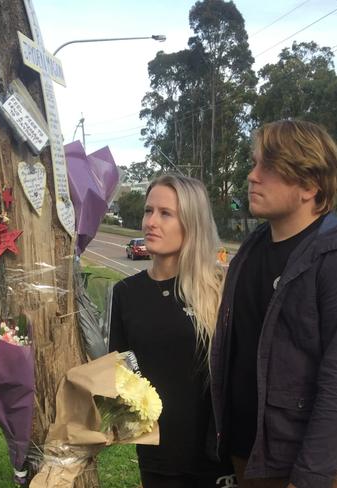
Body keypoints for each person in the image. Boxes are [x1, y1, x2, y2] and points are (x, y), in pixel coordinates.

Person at [209, 120, 337, 488]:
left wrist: (308, 479)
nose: (252, 176)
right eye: (254, 163)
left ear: (309, 184)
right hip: (250, 453)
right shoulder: (253, 249)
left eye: (268, 168)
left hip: (307, 466)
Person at [109, 174, 235, 488]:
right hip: (159, 459)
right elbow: (122, 368)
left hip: (218, 460)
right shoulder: (126, 293)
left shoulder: (221, 289)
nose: (151, 221)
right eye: (148, 211)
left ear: (191, 223)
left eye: (166, 213)